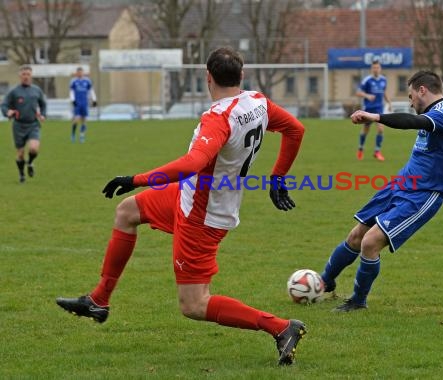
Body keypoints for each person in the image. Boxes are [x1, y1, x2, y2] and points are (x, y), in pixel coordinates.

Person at [56, 47, 307, 365]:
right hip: (189, 195)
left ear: (207, 77)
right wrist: (277, 178)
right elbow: (295, 129)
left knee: (194, 304)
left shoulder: (219, 118)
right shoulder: (257, 101)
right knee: (127, 212)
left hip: (202, 214)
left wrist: (138, 178)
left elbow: (192, 163)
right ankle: (99, 300)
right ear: (241, 75)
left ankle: (282, 328)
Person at [320, 70, 443, 312]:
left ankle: (358, 301)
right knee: (356, 235)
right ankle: (324, 281)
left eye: (411, 95)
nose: (410, 101)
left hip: (424, 194)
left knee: (371, 242)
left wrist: (375, 117)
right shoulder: (438, 116)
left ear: (422, 90)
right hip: (400, 184)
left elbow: (411, 122)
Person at [1, 65, 47, 183]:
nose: (26, 77)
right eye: (23, 74)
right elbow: (4, 105)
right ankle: (21, 174)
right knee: (20, 155)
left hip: (33, 125)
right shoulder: (14, 91)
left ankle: (30, 163)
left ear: (31, 76)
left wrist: (43, 114)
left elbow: (43, 104)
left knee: (33, 149)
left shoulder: (36, 90)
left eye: (28, 74)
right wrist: (8, 112)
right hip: (18, 126)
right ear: (20, 76)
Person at [355, 59, 392, 161]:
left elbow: (384, 92)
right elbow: (358, 92)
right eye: (374, 67)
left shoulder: (383, 80)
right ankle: (360, 149)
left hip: (379, 109)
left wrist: (389, 102)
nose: (376, 69)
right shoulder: (367, 80)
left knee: (380, 129)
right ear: (371, 69)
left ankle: (377, 151)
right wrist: (367, 95)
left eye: (378, 67)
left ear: (380, 69)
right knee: (366, 130)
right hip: (368, 109)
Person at [69, 66, 97, 143]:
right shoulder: (74, 81)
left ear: (83, 73)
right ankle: (73, 134)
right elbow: (71, 91)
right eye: (79, 72)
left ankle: (82, 135)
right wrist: (73, 100)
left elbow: (91, 90)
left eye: (81, 72)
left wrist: (94, 100)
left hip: (85, 103)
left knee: (84, 120)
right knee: (76, 119)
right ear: (77, 73)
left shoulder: (87, 81)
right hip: (77, 103)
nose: (80, 73)